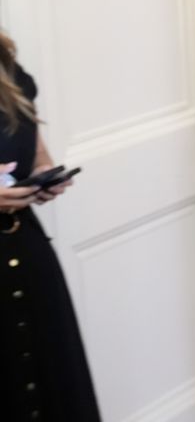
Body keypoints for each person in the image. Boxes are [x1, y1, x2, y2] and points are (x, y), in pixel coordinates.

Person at [0, 32, 100, 421]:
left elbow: (36, 155)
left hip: (25, 251)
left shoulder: (6, 64)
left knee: (52, 387)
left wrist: (44, 176)